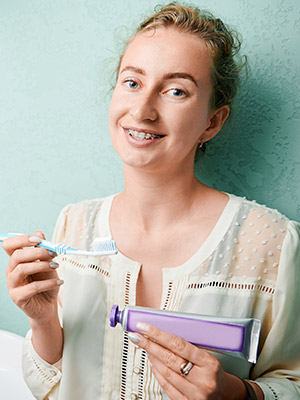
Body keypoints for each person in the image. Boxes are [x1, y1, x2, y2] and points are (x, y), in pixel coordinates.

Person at [3, 3, 300, 399]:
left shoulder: (272, 243)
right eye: (131, 82)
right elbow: (53, 382)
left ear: (212, 122)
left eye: (176, 90)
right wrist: (42, 322)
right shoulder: (74, 224)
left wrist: (236, 394)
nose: (142, 111)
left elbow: (292, 382)